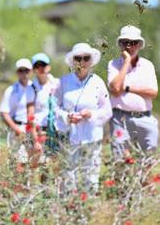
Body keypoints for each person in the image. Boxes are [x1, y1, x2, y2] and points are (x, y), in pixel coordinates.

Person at [55, 43, 112, 194]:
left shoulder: (98, 82)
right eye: (78, 58)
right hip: (70, 136)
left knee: (91, 175)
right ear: (73, 61)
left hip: (92, 136)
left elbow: (107, 110)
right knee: (68, 175)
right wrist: (67, 117)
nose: (82, 61)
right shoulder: (63, 81)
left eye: (86, 58)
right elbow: (54, 106)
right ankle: (68, 210)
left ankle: (89, 209)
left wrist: (91, 114)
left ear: (91, 61)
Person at [108, 25, 158, 159]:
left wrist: (128, 88)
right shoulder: (113, 64)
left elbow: (153, 92)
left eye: (134, 42)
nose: (129, 46)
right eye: (125, 42)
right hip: (120, 118)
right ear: (120, 45)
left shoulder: (147, 65)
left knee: (148, 161)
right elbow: (115, 90)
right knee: (119, 161)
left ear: (140, 45)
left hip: (145, 118)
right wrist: (126, 63)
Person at [0, 58, 40, 166]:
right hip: (16, 128)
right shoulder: (11, 90)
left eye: (26, 70)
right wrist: (16, 129)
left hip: (32, 129)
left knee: (34, 162)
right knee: (18, 162)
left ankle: (30, 183)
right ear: (17, 72)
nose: (24, 74)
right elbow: (4, 112)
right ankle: (19, 183)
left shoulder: (35, 87)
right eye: (21, 71)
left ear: (30, 71)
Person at [26, 53, 60, 158]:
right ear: (33, 69)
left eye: (43, 65)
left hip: (56, 130)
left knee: (55, 163)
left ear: (49, 67)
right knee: (38, 162)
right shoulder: (31, 88)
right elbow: (30, 115)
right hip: (39, 131)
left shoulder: (57, 84)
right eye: (37, 66)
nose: (41, 68)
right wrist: (35, 139)